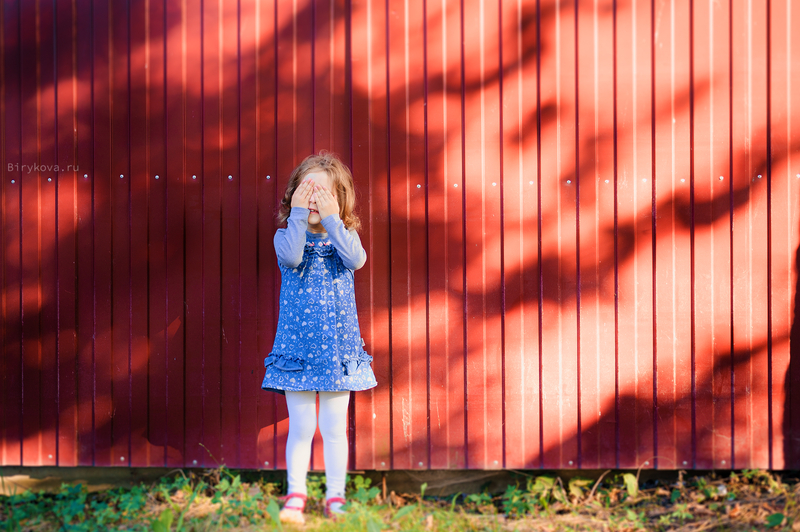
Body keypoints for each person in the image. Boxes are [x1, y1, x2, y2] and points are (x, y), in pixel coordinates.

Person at [262, 152, 377, 524]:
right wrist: (299, 214)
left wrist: (332, 218)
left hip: (338, 351)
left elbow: (355, 260)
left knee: (333, 428)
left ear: (338, 199)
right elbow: (292, 259)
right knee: (301, 427)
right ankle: (296, 495)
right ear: (293, 195)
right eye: (306, 191)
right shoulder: (286, 237)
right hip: (296, 352)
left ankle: (335, 497)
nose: (313, 200)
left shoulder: (345, 238)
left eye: (322, 193)